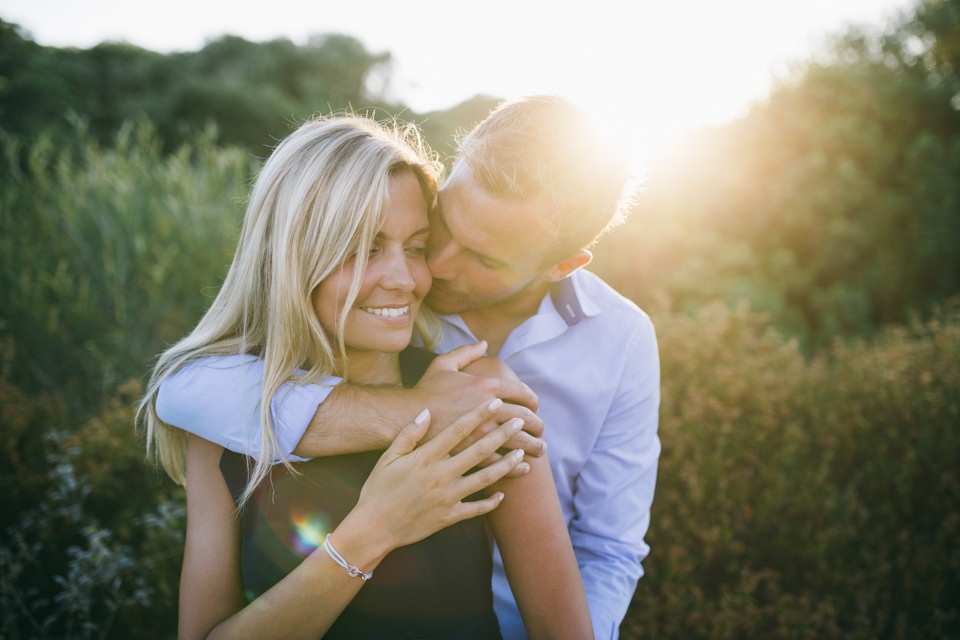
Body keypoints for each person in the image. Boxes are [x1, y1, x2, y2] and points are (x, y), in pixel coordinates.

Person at [158, 95, 661, 639]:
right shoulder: (224, 414)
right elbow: (182, 390)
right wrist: (381, 517)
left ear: (560, 266)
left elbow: (606, 552)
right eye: (438, 230)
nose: (424, 273)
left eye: (416, 246)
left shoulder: (498, 398)